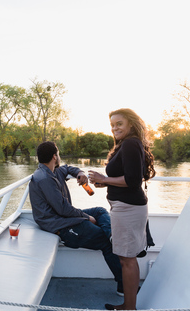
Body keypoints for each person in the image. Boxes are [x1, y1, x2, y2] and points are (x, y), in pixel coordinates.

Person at [29, 141, 123, 296]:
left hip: (66, 218)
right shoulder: (44, 178)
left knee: (99, 211)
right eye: (58, 154)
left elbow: (68, 168)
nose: (59, 157)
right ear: (55, 156)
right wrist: (86, 217)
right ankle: (123, 287)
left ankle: (111, 235)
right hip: (61, 226)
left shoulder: (54, 171)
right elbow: (63, 209)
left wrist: (80, 173)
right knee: (106, 243)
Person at [89, 108, 156, 311]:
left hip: (128, 209)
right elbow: (127, 178)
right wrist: (106, 183)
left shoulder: (130, 143)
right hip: (125, 207)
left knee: (127, 259)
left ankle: (130, 308)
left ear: (130, 124)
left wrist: (104, 179)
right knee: (127, 257)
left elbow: (133, 180)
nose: (114, 127)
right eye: (112, 124)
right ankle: (128, 305)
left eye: (119, 123)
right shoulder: (127, 144)